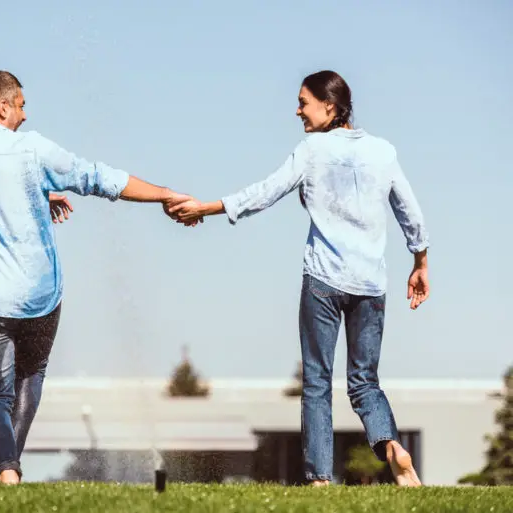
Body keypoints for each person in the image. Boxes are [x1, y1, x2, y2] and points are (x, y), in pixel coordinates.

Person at [0, 70, 195, 484]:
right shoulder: (32, 150)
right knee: (30, 377)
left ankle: (6, 472)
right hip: (39, 297)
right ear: (3, 106)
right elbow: (97, 177)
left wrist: (39, 190)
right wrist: (163, 193)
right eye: (20, 105)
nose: (24, 115)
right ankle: (10, 468)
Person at [168, 70, 429, 486]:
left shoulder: (313, 149)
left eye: (303, 102)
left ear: (330, 106)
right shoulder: (383, 152)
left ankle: (321, 478)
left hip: (324, 281)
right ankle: (392, 446)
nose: (297, 110)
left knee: (318, 382)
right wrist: (420, 262)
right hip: (370, 286)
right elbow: (410, 212)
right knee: (364, 382)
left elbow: (266, 192)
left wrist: (207, 208)